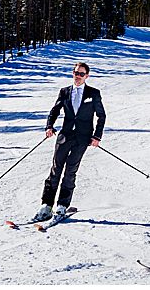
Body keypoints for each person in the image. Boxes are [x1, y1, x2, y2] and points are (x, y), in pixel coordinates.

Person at [29, 61, 105, 223]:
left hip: (82, 138)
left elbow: (101, 116)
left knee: (70, 171)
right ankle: (46, 205)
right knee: (55, 170)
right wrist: (49, 126)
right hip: (64, 136)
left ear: (87, 76)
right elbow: (55, 110)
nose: (78, 76)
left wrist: (96, 136)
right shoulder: (64, 92)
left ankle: (62, 205)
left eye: (81, 74)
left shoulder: (93, 93)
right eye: (75, 73)